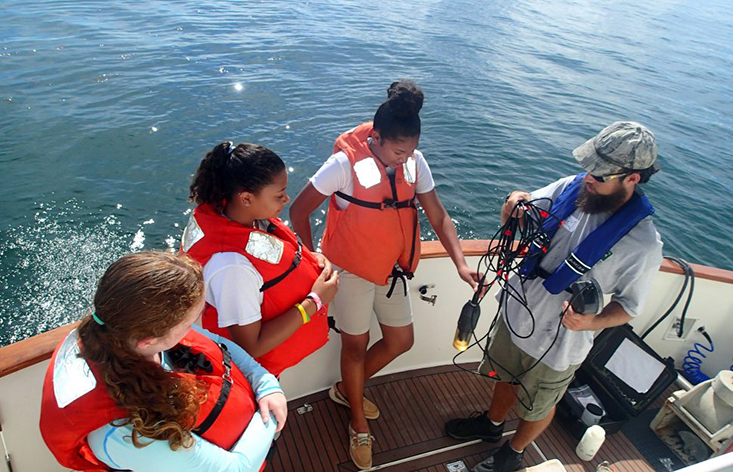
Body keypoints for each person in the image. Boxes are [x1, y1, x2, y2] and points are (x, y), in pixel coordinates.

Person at [444, 121, 664, 472]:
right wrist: (513, 202)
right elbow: (516, 215)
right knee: (502, 377)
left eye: (601, 173)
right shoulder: (571, 188)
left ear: (632, 178)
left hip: (559, 342)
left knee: (539, 404)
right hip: (515, 313)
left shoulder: (643, 245)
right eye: (589, 167)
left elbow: (629, 307)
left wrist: (591, 322)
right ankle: (492, 425)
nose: (589, 177)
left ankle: (514, 452)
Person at [290, 80, 481, 470]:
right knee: (355, 348)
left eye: (410, 151)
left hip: (391, 270)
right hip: (350, 271)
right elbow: (298, 211)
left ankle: (347, 391)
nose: (403, 159)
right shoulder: (344, 165)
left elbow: (439, 216)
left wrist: (460, 263)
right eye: (397, 151)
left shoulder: (414, 162)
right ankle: (357, 423)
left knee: (401, 340)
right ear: (375, 138)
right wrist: (314, 260)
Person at [40, 251, 288, 472]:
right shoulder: (126, 434)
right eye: (188, 323)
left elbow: (218, 346)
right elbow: (236, 469)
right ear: (147, 340)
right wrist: (272, 415)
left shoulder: (125, 332)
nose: (193, 329)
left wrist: (265, 383)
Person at [181, 142, 338, 377]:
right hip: (252, 378)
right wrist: (314, 301)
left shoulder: (247, 218)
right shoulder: (231, 267)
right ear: (246, 198)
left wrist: (312, 259)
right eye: (279, 195)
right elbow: (250, 346)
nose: (286, 199)